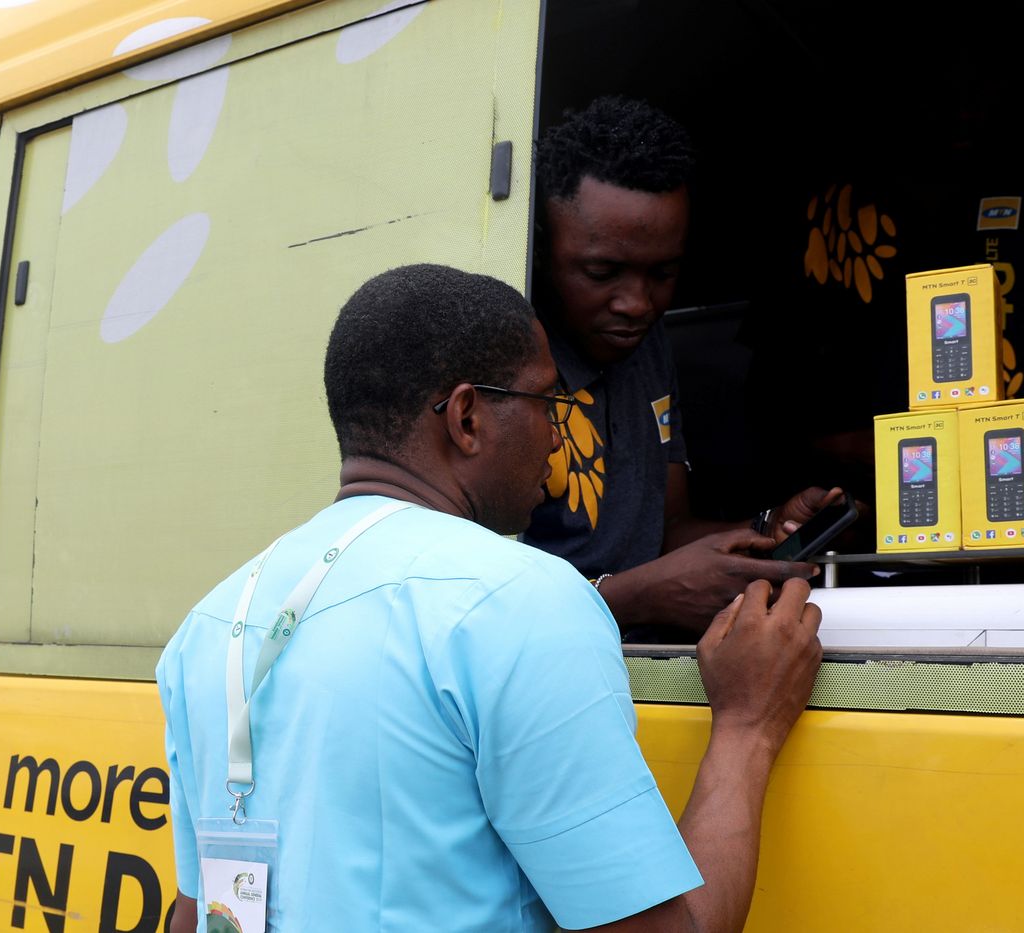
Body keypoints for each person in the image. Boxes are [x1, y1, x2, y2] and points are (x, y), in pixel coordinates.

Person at [159, 264, 823, 932]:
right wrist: (747, 727)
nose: (559, 437)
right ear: (468, 417)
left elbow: (198, 912)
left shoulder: (211, 623)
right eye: (547, 403)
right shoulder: (521, 601)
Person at [523, 96, 842, 635]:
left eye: (663, 273)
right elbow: (474, 598)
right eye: (602, 272)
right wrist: (635, 600)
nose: (637, 303)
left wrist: (766, 529)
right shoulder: (507, 363)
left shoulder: (649, 347)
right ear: (541, 249)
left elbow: (664, 530)